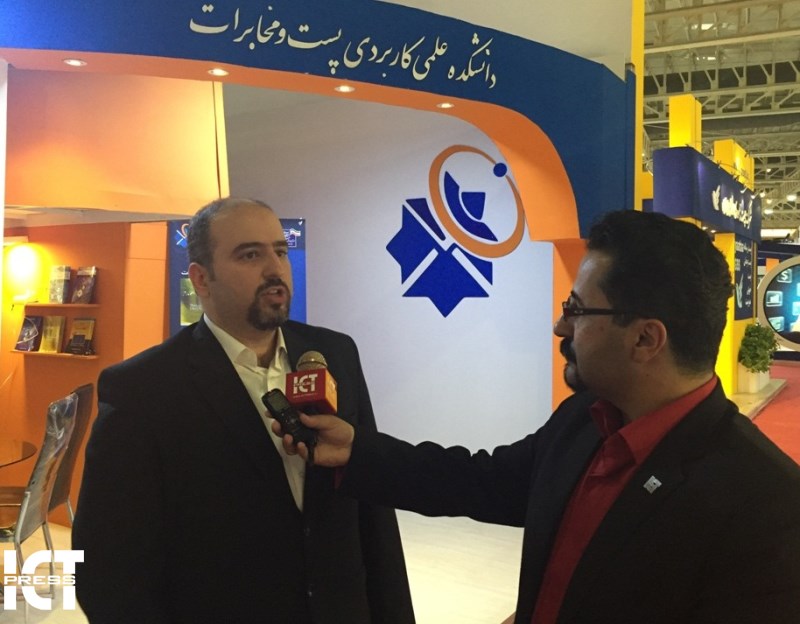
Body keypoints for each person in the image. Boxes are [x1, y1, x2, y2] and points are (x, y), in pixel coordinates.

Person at [277, 210, 800, 624]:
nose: (559, 326)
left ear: (645, 339)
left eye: (577, 309)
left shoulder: (766, 507)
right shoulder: (585, 419)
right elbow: (483, 481)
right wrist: (357, 451)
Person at [73, 197, 416, 624]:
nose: (275, 269)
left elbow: (373, 513)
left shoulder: (334, 353)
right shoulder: (142, 389)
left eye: (280, 251)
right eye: (250, 255)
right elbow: (106, 567)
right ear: (201, 279)